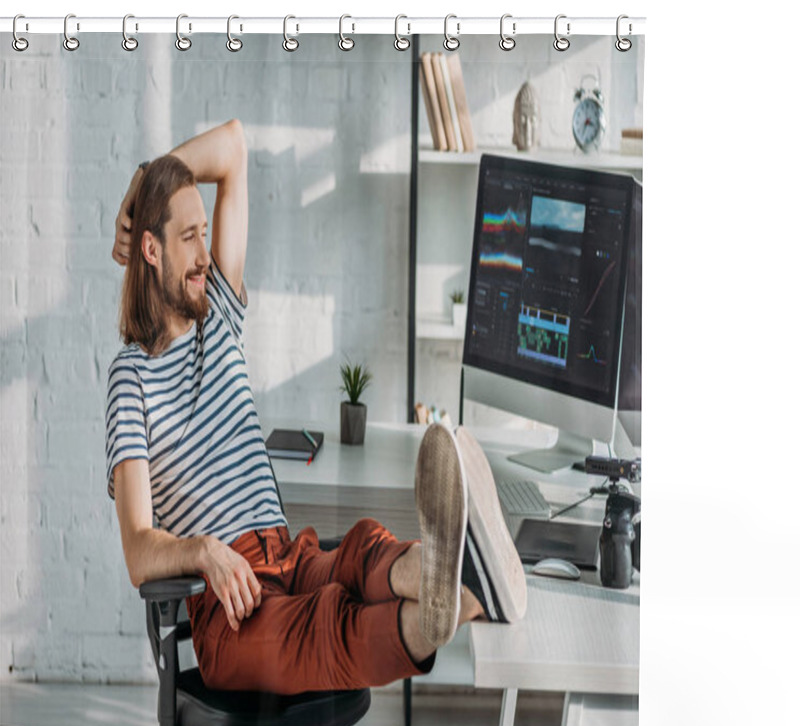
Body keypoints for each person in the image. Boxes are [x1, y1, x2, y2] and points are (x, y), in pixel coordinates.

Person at [106, 119, 527, 695]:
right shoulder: (130, 379)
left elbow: (232, 145)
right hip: (230, 609)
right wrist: (205, 553)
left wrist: (143, 182)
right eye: (189, 239)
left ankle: (455, 580)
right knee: (324, 628)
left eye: (207, 234)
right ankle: (454, 599)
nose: (205, 254)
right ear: (150, 250)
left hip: (289, 554)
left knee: (360, 550)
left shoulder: (220, 317)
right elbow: (136, 547)